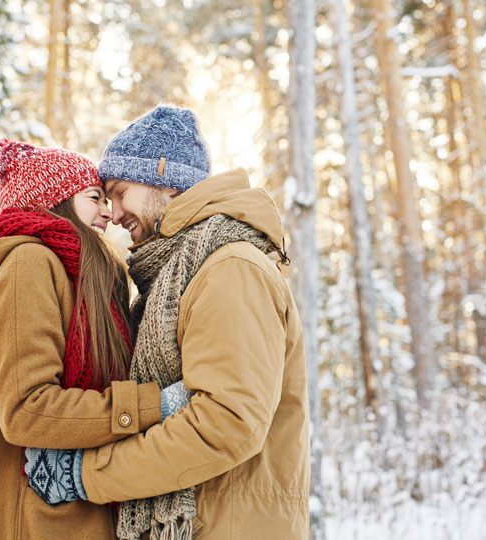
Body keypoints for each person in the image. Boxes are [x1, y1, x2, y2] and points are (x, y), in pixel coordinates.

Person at [26, 105, 311, 540]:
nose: (114, 213)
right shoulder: (179, 273)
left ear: (165, 179)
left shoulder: (229, 266)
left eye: (120, 191)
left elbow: (226, 422)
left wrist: (88, 474)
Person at [0, 138, 190, 540]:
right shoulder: (26, 265)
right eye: (94, 197)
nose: (108, 211)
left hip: (79, 516)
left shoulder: (90, 277)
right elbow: (26, 408)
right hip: (32, 523)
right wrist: (152, 405)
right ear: (56, 200)